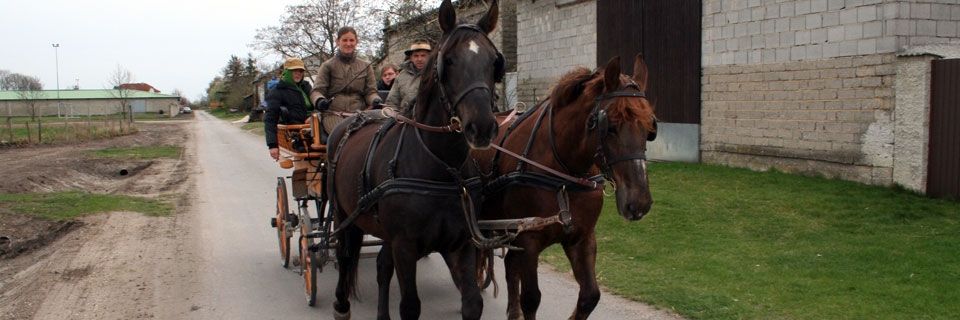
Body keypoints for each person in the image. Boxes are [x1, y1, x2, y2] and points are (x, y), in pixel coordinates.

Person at [310, 26, 381, 134]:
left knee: (375, 134)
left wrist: (375, 100)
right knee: (345, 134)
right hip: (333, 114)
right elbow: (317, 91)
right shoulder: (327, 66)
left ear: (356, 41)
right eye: (345, 40)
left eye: (351, 40)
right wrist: (320, 101)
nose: (348, 44)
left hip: (360, 113)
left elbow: (370, 92)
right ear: (338, 41)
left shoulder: (366, 66)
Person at [264, 57, 313, 161]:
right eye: (294, 71)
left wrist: (314, 117)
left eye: (301, 71)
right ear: (286, 72)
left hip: (315, 126)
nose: (298, 73)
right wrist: (272, 145)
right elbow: (270, 119)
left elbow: (317, 105)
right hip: (297, 133)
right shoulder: (277, 91)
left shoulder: (306, 87)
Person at [386, 40, 431, 114]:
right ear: (411, 58)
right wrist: (395, 116)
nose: (419, 59)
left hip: (430, 121)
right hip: (404, 119)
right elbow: (391, 102)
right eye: (416, 56)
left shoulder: (437, 74)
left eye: (423, 55)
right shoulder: (401, 75)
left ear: (429, 57)